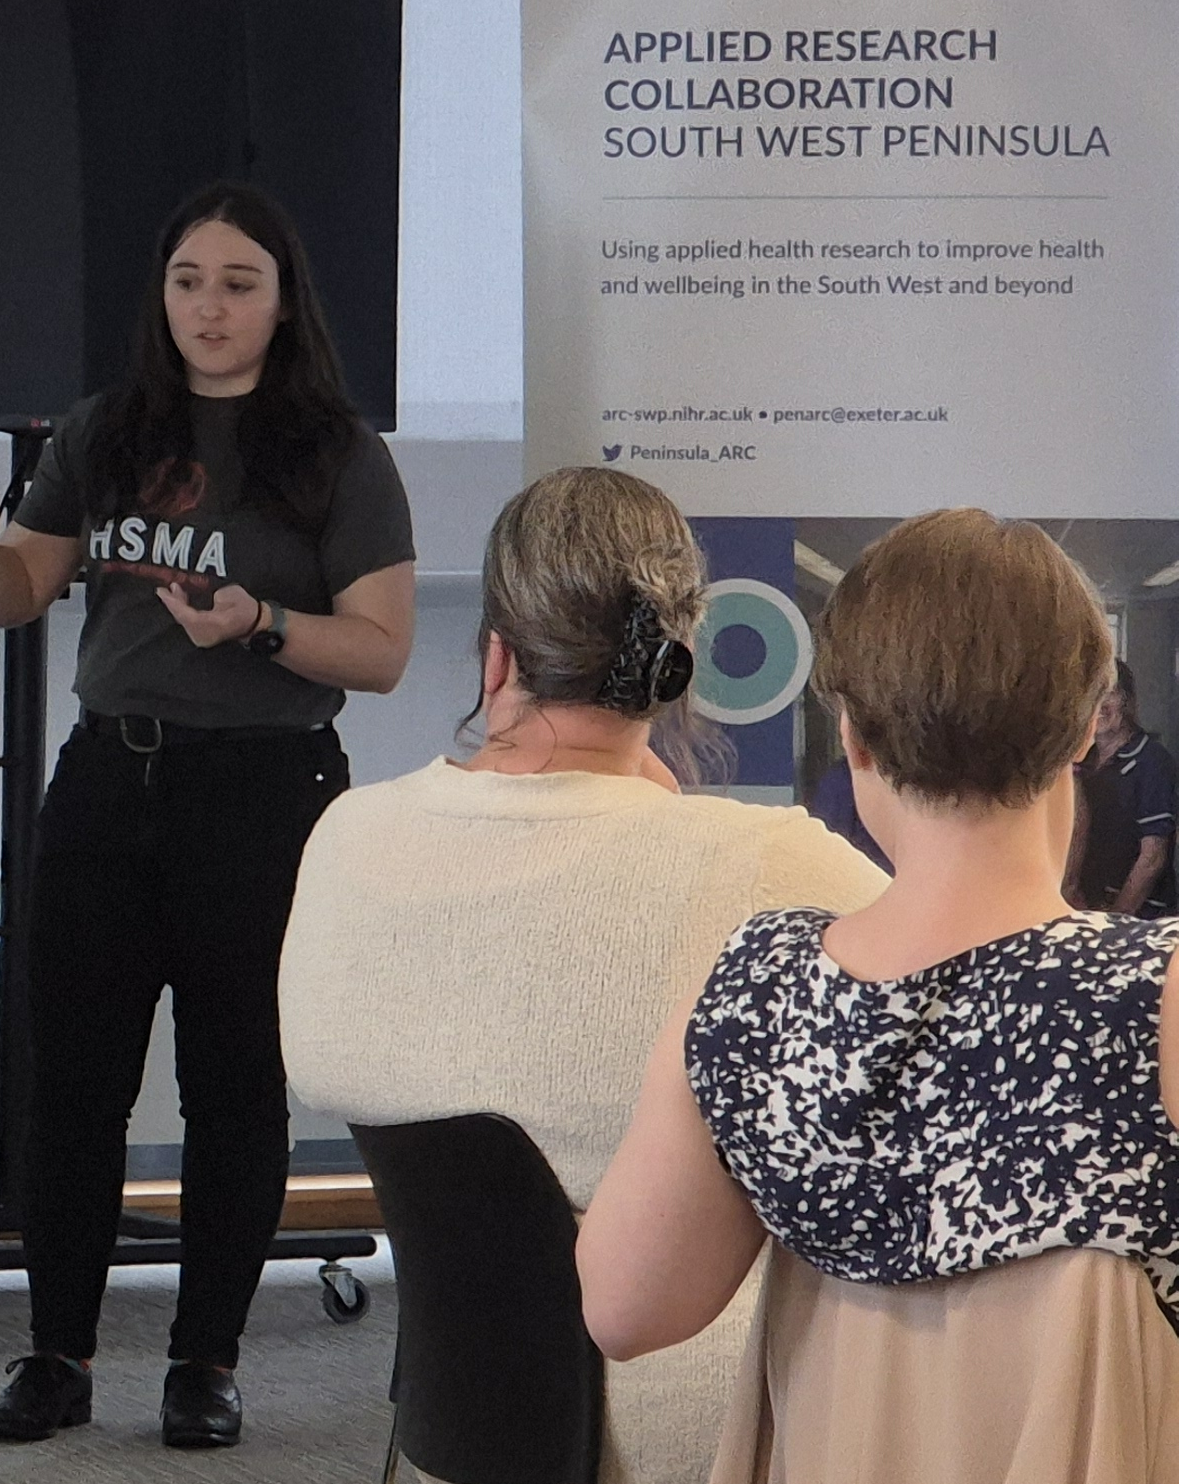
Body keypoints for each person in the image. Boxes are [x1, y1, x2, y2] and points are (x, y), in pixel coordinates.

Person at [278, 466, 883, 1482]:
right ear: (673, 667)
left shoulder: (346, 840)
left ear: (497, 654)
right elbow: (962, 969)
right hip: (710, 1434)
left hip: (454, 1434)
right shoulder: (760, 864)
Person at [0, 181, 415, 1448]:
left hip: (263, 792)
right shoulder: (105, 430)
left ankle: (205, 1361)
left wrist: (258, 623)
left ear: (282, 300)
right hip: (109, 782)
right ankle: (57, 1355)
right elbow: (17, 595)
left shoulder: (339, 453)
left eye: (238, 283)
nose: (210, 307)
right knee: (73, 1086)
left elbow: (379, 654)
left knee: (236, 1089)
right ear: (162, 297)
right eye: (189, 281)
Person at [579, 510, 1179, 1366]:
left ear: (851, 736)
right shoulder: (1158, 991)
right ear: (1085, 726)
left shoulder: (756, 990)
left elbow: (624, 1314)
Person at [1070, 662, 1173, 916]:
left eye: (1110, 694)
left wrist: (1116, 921)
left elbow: (1152, 857)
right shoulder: (1080, 760)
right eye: (1093, 694)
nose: (1101, 706)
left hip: (1139, 918)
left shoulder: (1152, 761)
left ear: (1128, 702)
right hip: (1086, 911)